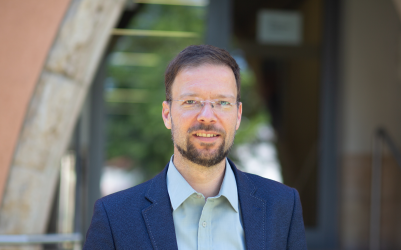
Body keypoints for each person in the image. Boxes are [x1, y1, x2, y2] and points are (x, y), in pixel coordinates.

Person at [84, 45, 307, 250]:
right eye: (191, 102)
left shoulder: (282, 207)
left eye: (222, 102)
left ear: (238, 115)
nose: (207, 117)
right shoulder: (114, 218)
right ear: (167, 114)